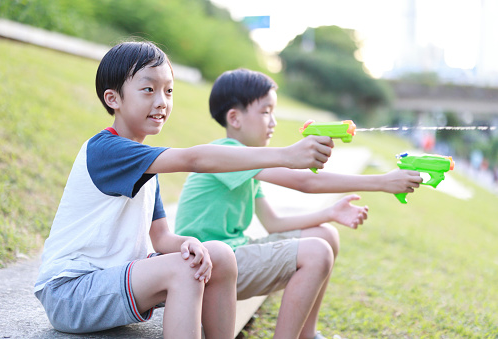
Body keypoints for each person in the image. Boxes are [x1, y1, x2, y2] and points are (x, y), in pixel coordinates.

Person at [33, 43, 334, 339]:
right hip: (70, 293)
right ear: (113, 99)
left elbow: (162, 238)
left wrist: (189, 242)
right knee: (183, 270)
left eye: (169, 90)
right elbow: (194, 159)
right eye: (149, 90)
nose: (162, 101)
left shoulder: (144, 165)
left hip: (110, 281)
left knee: (218, 253)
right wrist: (285, 156)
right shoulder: (107, 150)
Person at [174, 68, 422, 339]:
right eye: (266, 111)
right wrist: (383, 182)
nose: (273, 122)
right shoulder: (228, 154)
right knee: (316, 252)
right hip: (209, 269)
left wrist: (330, 213)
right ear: (234, 118)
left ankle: (308, 334)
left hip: (231, 256)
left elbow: (273, 223)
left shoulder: (247, 164)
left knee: (325, 234)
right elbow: (306, 182)